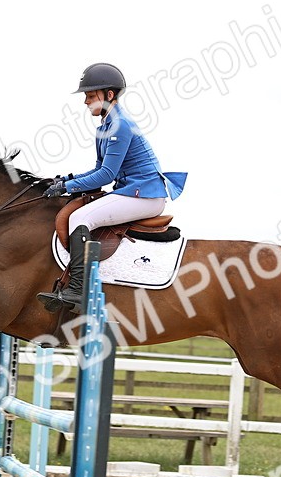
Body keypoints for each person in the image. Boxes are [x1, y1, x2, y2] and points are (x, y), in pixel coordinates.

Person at [36, 62, 187, 313]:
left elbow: (106, 175)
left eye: (90, 95)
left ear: (109, 95)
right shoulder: (104, 127)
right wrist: (65, 179)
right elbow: (98, 168)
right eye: (86, 96)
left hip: (144, 195)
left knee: (80, 218)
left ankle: (77, 290)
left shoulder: (120, 125)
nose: (86, 102)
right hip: (131, 191)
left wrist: (67, 187)